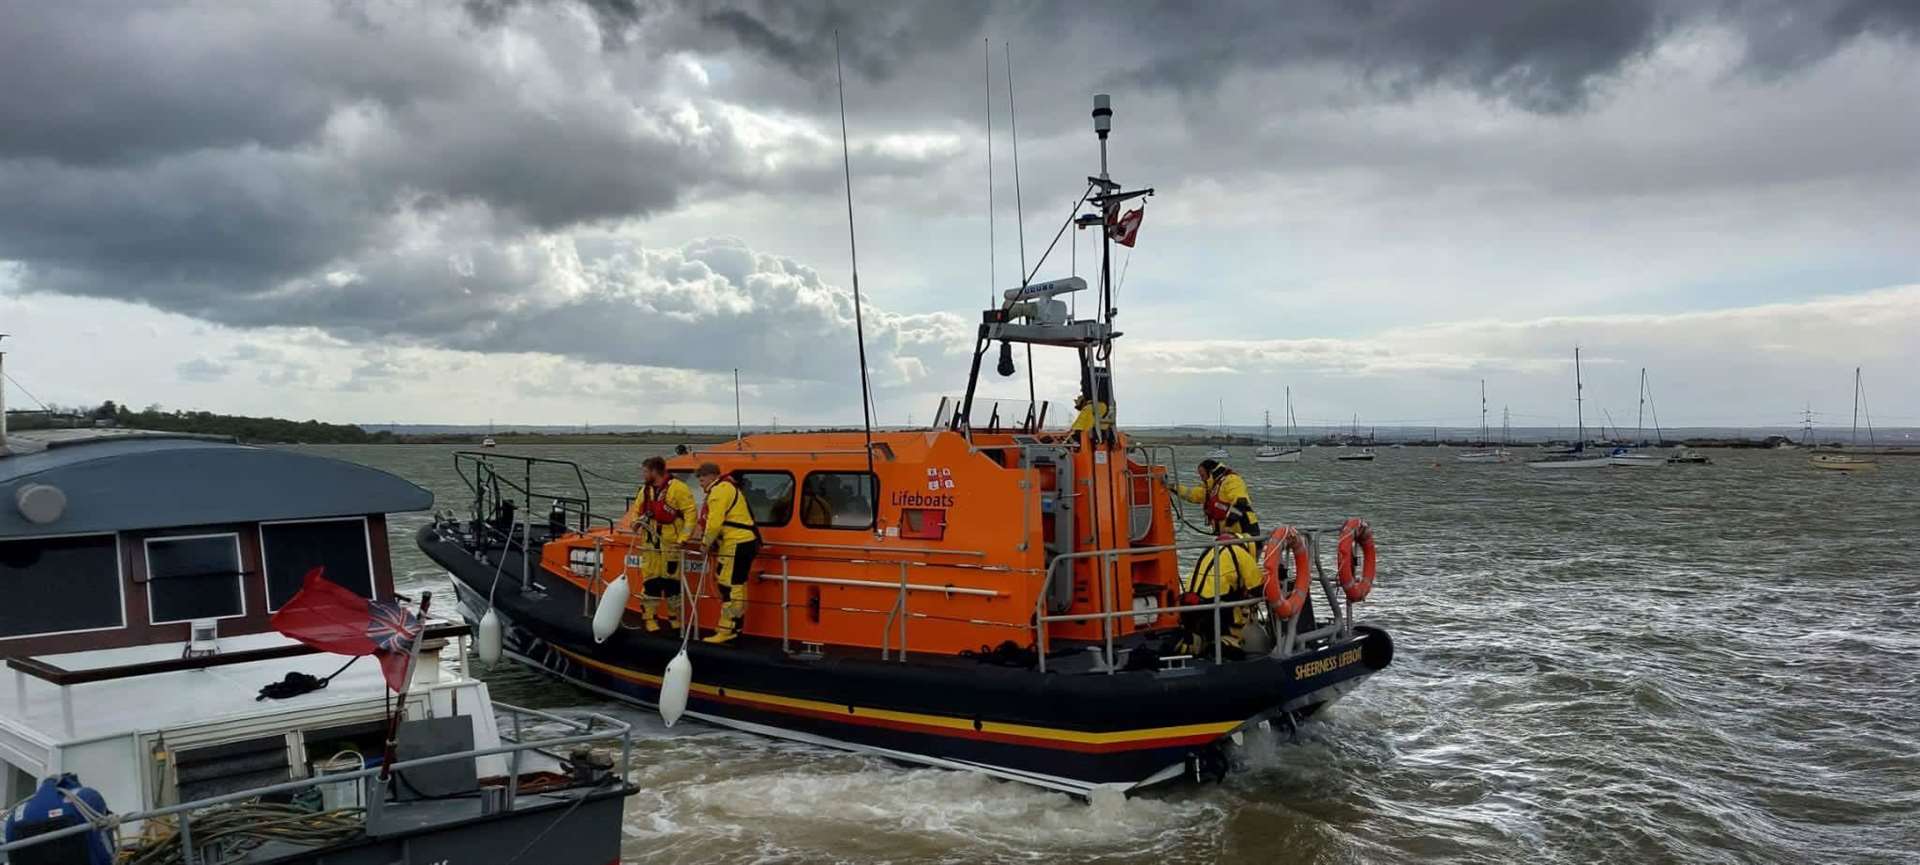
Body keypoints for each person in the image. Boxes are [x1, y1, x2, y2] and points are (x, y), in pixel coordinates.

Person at [619, 456, 696, 633]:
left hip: (671, 544)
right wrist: (636, 523)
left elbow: (691, 514)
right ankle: (650, 618)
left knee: (672, 583)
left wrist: (683, 539)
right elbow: (636, 511)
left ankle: (674, 617)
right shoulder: (645, 491)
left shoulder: (678, 488)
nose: (643, 474)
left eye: (645, 471)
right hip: (650, 543)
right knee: (651, 581)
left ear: (654, 471)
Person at [691, 462, 760, 644]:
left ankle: (727, 628)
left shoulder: (719, 491)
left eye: (702, 478)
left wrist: (705, 544)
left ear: (713, 476)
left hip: (737, 543)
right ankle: (733, 626)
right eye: (698, 478)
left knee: (730, 586)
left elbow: (714, 522)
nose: (700, 482)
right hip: (739, 542)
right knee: (734, 585)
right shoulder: (727, 488)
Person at [1167, 459, 1260, 539]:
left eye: (1202, 475)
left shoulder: (1231, 480)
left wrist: (1228, 525)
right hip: (1229, 535)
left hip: (1245, 531)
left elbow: (1240, 502)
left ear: (1210, 472)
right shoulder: (1211, 488)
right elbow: (1193, 494)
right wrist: (1173, 487)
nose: (1201, 479)